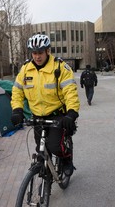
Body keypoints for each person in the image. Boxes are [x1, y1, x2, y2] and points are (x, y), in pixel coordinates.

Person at [10, 34, 80, 176]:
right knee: (40, 148)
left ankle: (67, 160)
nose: (37, 56)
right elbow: (17, 91)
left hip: (57, 115)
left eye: (40, 52)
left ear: (48, 51)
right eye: (34, 53)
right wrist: (17, 110)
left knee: (55, 147)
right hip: (37, 116)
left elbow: (70, 92)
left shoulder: (60, 67)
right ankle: (46, 174)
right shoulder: (25, 69)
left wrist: (72, 113)